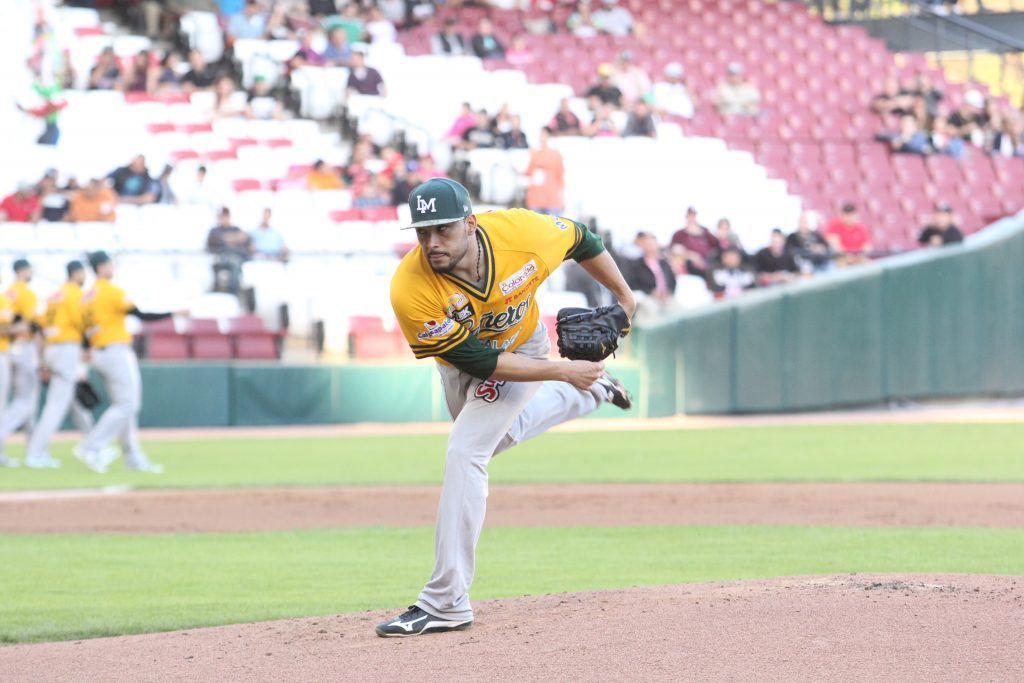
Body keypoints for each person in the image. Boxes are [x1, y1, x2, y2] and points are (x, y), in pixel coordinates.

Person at [378, 178, 636, 637]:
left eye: (443, 230)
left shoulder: (521, 235)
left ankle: (445, 602)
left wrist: (626, 299)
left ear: (471, 224)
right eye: (423, 232)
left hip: (527, 347)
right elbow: (479, 361)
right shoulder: (409, 288)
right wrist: (565, 373)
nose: (432, 242)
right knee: (501, 436)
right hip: (464, 367)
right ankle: (590, 390)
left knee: (466, 452)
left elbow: (582, 238)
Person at [75, 251, 182, 473]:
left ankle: (132, 457)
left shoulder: (87, 295)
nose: (112, 267)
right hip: (115, 351)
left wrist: (86, 349)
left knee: (125, 405)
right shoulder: (110, 291)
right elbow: (141, 315)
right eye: (109, 264)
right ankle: (91, 446)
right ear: (101, 267)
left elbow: (83, 328)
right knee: (128, 404)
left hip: (97, 352)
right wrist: (174, 313)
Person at [23, 261, 95, 469]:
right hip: (66, 347)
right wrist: (87, 346)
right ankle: (36, 452)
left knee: (72, 399)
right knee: (56, 404)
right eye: (83, 273)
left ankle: (93, 444)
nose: (84, 277)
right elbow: (81, 321)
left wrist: (44, 357)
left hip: (52, 347)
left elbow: (40, 324)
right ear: (76, 273)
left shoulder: (55, 295)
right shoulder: (74, 294)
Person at [0, 260, 43, 468]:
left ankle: (34, 450)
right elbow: (30, 325)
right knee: (25, 401)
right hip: (20, 348)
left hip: (11, 350)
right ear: (24, 271)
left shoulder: (7, 293)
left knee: (25, 402)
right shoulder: (25, 293)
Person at [624, 231, 676, 321]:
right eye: (647, 244)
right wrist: (651, 292)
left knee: (677, 308)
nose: (650, 246)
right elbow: (632, 284)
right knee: (652, 311)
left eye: (652, 243)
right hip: (647, 298)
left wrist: (668, 292)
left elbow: (673, 281)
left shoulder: (664, 263)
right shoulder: (637, 265)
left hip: (667, 297)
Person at [206, 207, 252, 293]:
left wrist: (229, 238)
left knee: (237, 263)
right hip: (220, 259)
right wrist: (233, 238)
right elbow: (213, 242)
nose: (224, 219)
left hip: (236, 257)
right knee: (234, 263)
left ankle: (232, 293)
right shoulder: (215, 231)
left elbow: (246, 239)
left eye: (226, 216)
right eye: (222, 216)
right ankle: (229, 292)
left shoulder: (235, 229)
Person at [669, 207, 719, 280]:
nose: (691, 218)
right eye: (689, 216)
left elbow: (716, 244)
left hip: (708, 263)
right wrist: (690, 255)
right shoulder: (679, 234)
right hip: (689, 265)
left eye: (693, 216)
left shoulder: (704, 231)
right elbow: (673, 250)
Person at [524, 128, 564, 215]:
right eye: (541, 135)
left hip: (551, 198)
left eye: (544, 135)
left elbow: (560, 176)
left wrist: (562, 198)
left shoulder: (555, 155)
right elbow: (528, 172)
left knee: (552, 226)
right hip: (536, 198)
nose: (542, 138)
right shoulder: (534, 154)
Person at [824, 202, 873, 266]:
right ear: (842, 215)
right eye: (847, 215)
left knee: (869, 264)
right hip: (842, 258)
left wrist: (859, 256)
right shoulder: (834, 225)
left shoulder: (861, 227)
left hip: (859, 258)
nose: (849, 218)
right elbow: (835, 245)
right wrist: (848, 257)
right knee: (841, 261)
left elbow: (867, 246)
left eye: (851, 215)